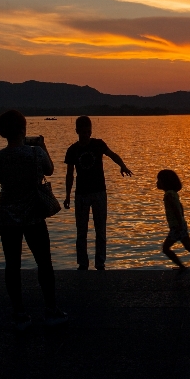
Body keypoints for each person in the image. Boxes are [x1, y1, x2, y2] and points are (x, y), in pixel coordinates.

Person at [0, 110, 67, 330]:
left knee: (12, 265)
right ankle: (51, 309)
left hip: (7, 215)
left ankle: (19, 313)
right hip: (34, 215)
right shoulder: (35, 153)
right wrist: (42, 147)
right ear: (23, 129)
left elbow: (0, 177)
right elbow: (50, 170)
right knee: (44, 262)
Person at [63, 116, 132, 270]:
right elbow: (69, 174)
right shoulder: (72, 150)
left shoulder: (98, 144)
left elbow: (112, 155)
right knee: (81, 232)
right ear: (77, 131)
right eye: (82, 131)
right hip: (81, 194)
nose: (86, 134)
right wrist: (67, 195)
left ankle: (100, 263)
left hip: (99, 193)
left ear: (91, 131)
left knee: (100, 230)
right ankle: (83, 263)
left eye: (88, 131)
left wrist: (122, 165)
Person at [157, 169, 190, 276]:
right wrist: (182, 221)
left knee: (166, 248)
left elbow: (176, 210)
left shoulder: (168, 195)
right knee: (189, 246)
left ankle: (183, 267)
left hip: (176, 227)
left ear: (165, 182)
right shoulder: (173, 194)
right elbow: (180, 207)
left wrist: (178, 224)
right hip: (181, 225)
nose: (157, 183)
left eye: (158, 180)